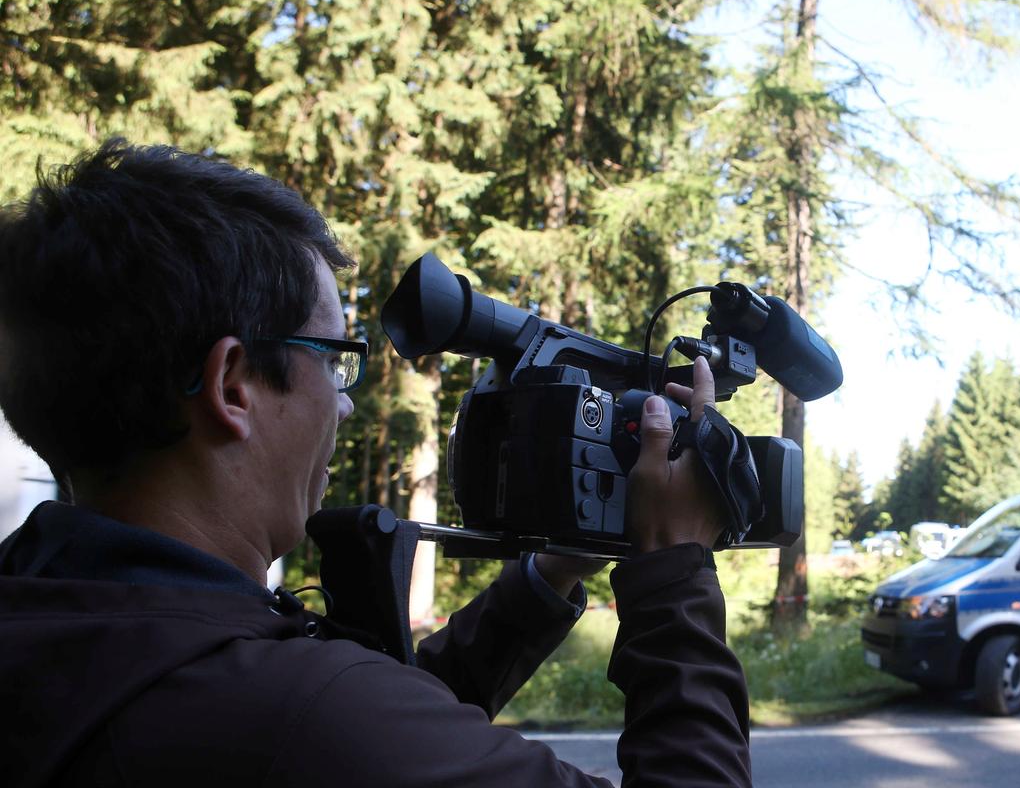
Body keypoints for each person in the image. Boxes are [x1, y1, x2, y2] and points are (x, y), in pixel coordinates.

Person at [0, 140, 751, 787]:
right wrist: (674, 568)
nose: (345, 405)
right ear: (234, 386)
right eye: (333, 362)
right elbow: (344, 727)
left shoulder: (62, 626)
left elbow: (386, 721)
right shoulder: (294, 717)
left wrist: (549, 574)